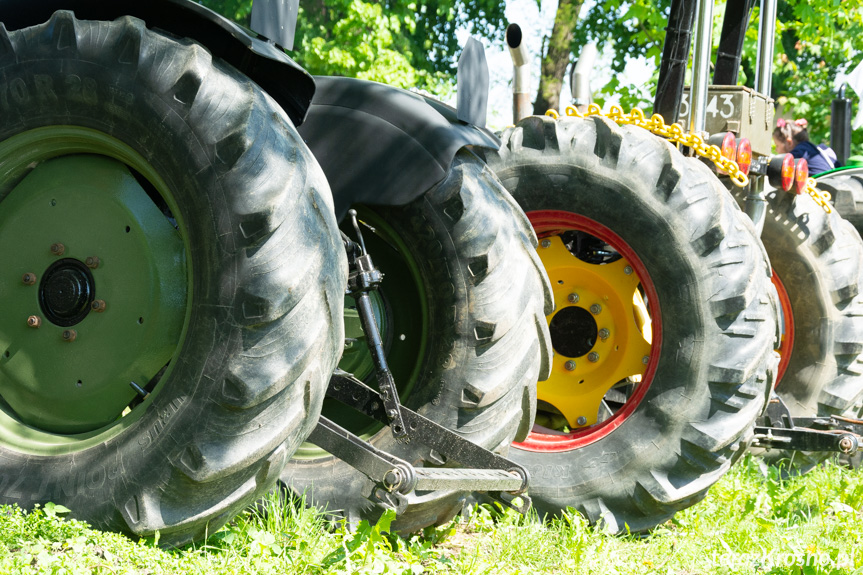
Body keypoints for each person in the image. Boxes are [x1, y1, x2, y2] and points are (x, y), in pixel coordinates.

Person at [773, 118, 839, 175]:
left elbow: (782, 167)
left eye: (777, 145)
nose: (776, 150)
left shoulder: (798, 151)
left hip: (819, 185)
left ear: (789, 142)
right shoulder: (815, 150)